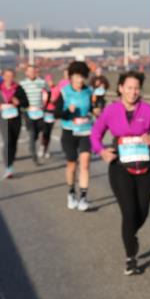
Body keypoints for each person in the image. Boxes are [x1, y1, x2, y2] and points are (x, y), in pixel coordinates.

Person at [91, 71, 150, 275]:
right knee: (129, 212)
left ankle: (130, 234)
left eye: (136, 88)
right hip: (120, 167)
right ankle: (130, 258)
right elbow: (95, 134)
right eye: (129, 87)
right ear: (120, 88)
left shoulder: (149, 110)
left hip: (145, 168)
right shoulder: (111, 111)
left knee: (141, 212)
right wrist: (101, 151)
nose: (133, 92)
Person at [55, 61, 94, 211]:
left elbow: (92, 108)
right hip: (69, 132)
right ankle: (71, 192)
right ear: (71, 77)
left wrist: (95, 111)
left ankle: (83, 197)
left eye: (82, 77)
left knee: (85, 163)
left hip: (86, 131)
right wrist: (68, 111)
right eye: (77, 76)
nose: (80, 80)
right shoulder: (65, 92)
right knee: (72, 165)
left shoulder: (89, 91)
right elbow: (57, 113)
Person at [0, 68, 29, 179]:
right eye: (7, 76)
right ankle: (8, 167)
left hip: (15, 118)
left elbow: (26, 102)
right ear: (3, 76)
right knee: (8, 141)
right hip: (3, 118)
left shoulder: (18, 88)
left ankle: (10, 159)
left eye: (11, 76)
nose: (9, 78)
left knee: (13, 142)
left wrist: (19, 102)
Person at [19, 64, 47, 165]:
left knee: (37, 132)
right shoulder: (22, 84)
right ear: (26, 73)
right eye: (29, 71)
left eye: (33, 71)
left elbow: (48, 93)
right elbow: (18, 96)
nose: (32, 73)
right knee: (32, 133)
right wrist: (24, 107)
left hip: (39, 111)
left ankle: (31, 144)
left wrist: (45, 105)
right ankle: (34, 158)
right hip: (28, 112)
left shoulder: (42, 82)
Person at [39, 73, 57, 159]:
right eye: (48, 81)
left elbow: (59, 101)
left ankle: (46, 149)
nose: (50, 82)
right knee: (44, 131)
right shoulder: (43, 90)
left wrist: (55, 102)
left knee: (49, 133)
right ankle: (42, 147)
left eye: (51, 80)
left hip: (52, 112)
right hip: (44, 112)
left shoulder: (56, 89)